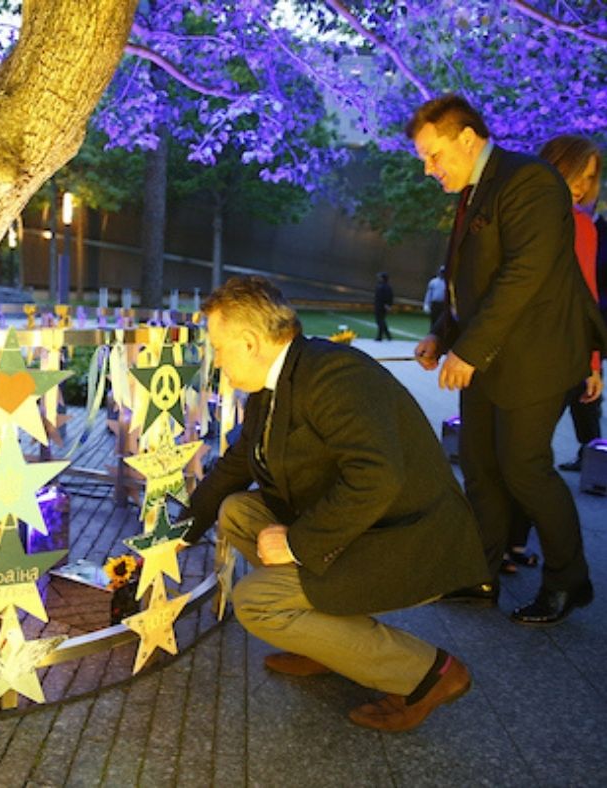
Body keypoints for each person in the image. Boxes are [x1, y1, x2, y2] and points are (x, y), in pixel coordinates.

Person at [180, 275, 488, 732]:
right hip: (358, 525)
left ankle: (430, 674)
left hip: (405, 537)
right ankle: (324, 641)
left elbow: (377, 478)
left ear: (249, 341)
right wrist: (181, 530)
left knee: (258, 603)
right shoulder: (278, 378)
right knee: (238, 514)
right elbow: (240, 461)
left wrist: (299, 543)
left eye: (219, 347)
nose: (216, 358)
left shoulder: (334, 375)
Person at [406, 94, 607, 626]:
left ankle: (571, 581)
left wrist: (468, 349)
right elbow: (470, 283)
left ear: (466, 139)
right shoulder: (475, 190)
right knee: (479, 464)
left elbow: (524, 275)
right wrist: (441, 333)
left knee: (525, 469)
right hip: (489, 357)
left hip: (536, 356)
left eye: (434, 156)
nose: (430, 170)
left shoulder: (530, 181)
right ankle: (481, 572)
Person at [538, 135, 603, 472]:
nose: (582, 184)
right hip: (515, 355)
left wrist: (593, 364)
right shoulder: (522, 216)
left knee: (526, 461)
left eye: (591, 176)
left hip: (560, 358)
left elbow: (587, 297)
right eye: (578, 172)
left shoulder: (582, 226)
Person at [423, 266, 447, 331]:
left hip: (443, 304)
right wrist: (426, 304)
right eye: (441, 272)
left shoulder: (447, 283)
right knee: (433, 320)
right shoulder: (433, 282)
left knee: (441, 322)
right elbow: (429, 294)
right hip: (435, 304)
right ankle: (432, 333)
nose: (442, 274)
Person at [373, 271, 393, 340]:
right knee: (381, 320)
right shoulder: (381, 285)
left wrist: (388, 305)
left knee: (380, 321)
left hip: (381, 306)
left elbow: (389, 297)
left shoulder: (385, 287)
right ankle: (388, 335)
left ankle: (380, 336)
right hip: (379, 305)